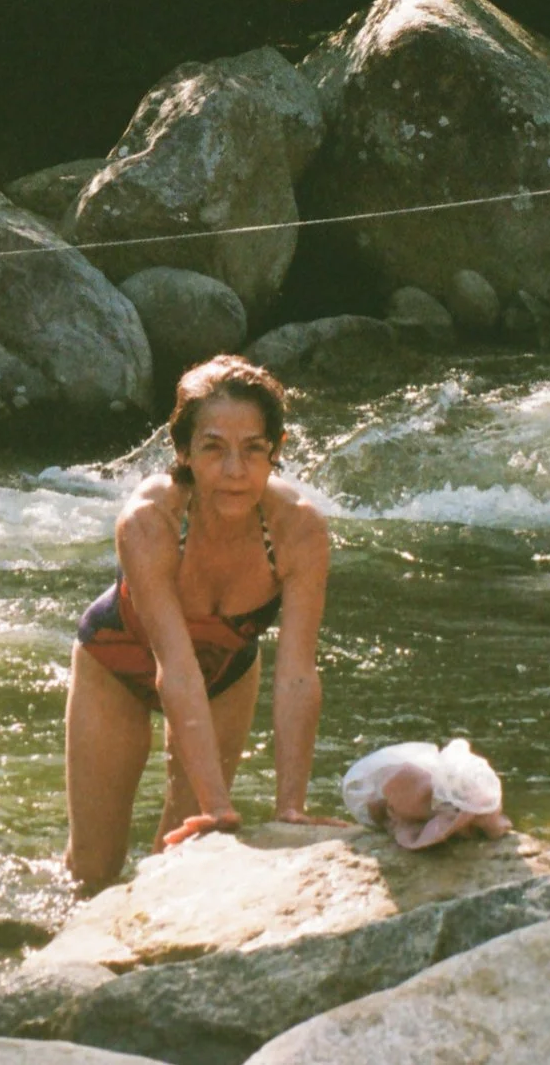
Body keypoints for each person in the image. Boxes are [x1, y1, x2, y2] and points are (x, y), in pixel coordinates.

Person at [64, 355, 340, 892]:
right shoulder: (151, 521)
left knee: (184, 854)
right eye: (214, 448)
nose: (235, 470)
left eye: (253, 449)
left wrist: (291, 808)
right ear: (184, 452)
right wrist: (218, 804)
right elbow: (176, 669)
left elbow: (298, 675)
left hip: (225, 674)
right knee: (93, 870)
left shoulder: (299, 530)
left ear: (276, 451)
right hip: (118, 661)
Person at [340, 739, 514, 849]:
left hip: (381, 780)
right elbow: (380, 811)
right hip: (365, 786)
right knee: (410, 794)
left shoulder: (433, 785)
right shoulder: (415, 789)